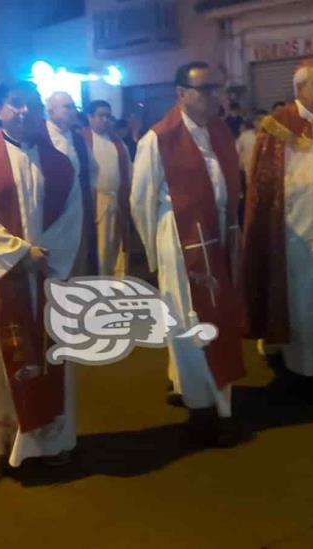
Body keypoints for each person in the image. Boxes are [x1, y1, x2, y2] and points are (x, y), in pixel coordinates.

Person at [0, 81, 83, 484]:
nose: (25, 111)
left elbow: (70, 216)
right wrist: (18, 254)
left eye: (32, 104)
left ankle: (50, 440)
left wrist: (44, 256)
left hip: (43, 277)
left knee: (49, 357)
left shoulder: (59, 163)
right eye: (16, 104)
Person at [131, 61, 246, 447]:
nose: (214, 96)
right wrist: (158, 252)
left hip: (218, 238)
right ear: (181, 94)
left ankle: (223, 403)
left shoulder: (219, 132)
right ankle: (200, 407)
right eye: (205, 90)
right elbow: (141, 200)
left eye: (215, 88)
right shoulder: (158, 138)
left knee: (220, 321)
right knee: (188, 323)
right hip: (181, 243)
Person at [243, 59, 313, 402]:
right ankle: (302, 365)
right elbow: (266, 181)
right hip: (290, 229)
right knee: (298, 296)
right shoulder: (277, 125)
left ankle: (291, 349)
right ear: (299, 87)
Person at [46, 92, 98, 276]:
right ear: (50, 111)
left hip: (79, 213)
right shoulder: (42, 138)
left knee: (79, 267)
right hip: (53, 218)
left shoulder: (77, 138)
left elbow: (92, 170)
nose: (73, 112)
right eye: (67, 107)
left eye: (74, 107)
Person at [85, 99, 131, 277]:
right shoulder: (82, 140)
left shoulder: (118, 142)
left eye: (108, 116)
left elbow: (128, 170)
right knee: (100, 250)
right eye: (100, 116)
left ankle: (118, 289)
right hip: (96, 202)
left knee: (117, 248)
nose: (105, 120)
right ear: (90, 117)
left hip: (117, 200)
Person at [235, 110, 267, 225]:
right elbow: (236, 155)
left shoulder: (272, 139)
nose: (261, 123)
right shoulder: (245, 137)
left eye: (264, 119)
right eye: (259, 120)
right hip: (247, 179)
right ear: (254, 122)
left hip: (266, 181)